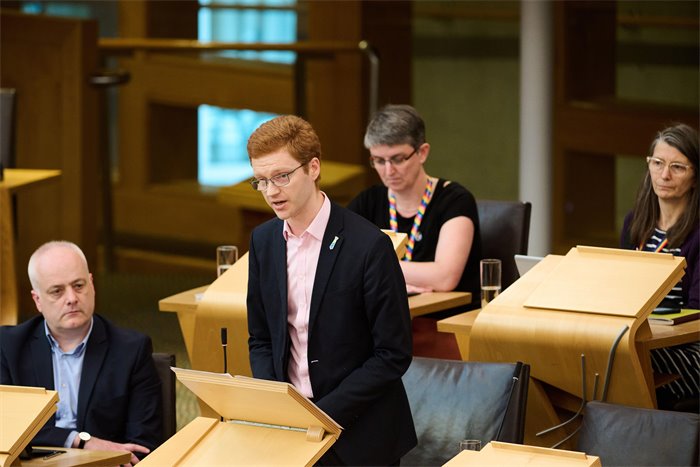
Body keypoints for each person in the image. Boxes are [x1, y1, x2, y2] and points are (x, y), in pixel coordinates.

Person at [245, 115, 417, 465]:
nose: (271, 191)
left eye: (281, 176)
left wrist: (321, 416)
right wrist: (278, 405)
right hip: (292, 431)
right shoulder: (263, 242)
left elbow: (392, 354)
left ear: (313, 167)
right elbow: (261, 338)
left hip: (359, 433)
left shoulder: (369, 246)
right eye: (261, 181)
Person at [0, 241, 162, 464]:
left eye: (78, 285)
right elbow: (6, 429)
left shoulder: (132, 350)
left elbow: (142, 446)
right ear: (37, 300)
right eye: (57, 291)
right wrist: (80, 440)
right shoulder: (8, 347)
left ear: (92, 285)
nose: (72, 298)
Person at [347, 104, 483, 304]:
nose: (388, 170)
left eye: (398, 159)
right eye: (379, 160)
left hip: (441, 323)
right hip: (387, 320)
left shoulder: (454, 200)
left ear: (422, 153)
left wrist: (378, 269)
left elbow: (445, 278)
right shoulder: (369, 201)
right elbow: (341, 260)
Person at [620, 123, 699, 411]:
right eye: (658, 163)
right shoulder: (634, 224)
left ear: (695, 177)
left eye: (678, 167)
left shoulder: (698, 234)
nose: (664, 175)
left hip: (688, 349)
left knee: (623, 364)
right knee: (592, 355)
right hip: (638, 340)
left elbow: (697, 313)